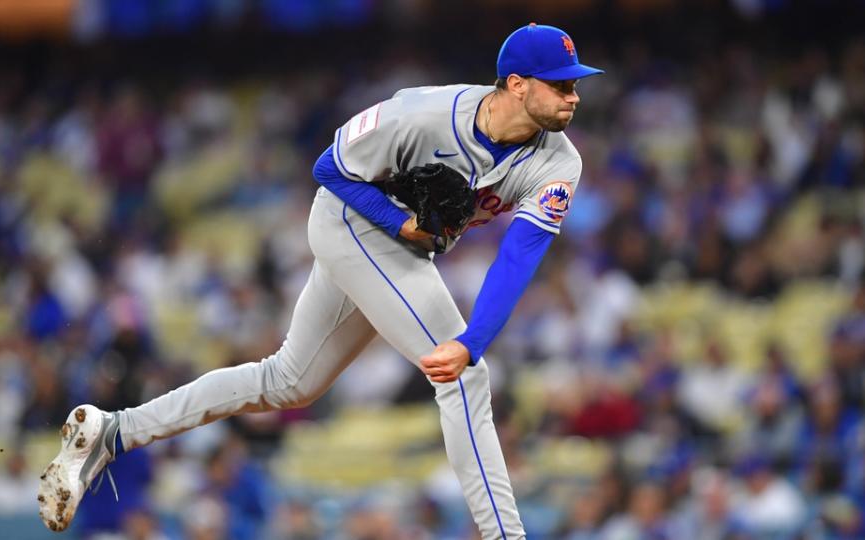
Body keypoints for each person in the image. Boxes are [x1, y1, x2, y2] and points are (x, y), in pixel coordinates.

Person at [38, 23, 603, 539]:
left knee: (289, 382)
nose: (574, 96)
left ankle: (112, 432)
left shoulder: (559, 163)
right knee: (464, 381)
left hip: (400, 249)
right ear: (518, 84)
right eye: (561, 85)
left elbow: (519, 257)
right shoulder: (422, 113)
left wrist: (472, 338)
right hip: (347, 220)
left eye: (575, 85)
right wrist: (400, 222)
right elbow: (329, 169)